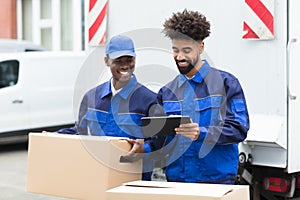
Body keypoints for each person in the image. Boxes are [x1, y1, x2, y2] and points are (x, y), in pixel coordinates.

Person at [151, 9, 250, 184]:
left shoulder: (226, 84)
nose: (180, 57)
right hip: (177, 183)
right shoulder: (166, 93)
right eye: (175, 50)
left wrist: (201, 133)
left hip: (215, 183)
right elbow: (159, 140)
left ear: (201, 47)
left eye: (186, 50)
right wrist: (142, 147)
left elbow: (238, 129)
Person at [57, 35, 159, 181]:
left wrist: (145, 149)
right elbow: (81, 131)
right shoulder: (91, 98)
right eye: (118, 61)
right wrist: (53, 137)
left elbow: (160, 141)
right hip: (95, 178)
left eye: (129, 61)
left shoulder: (150, 100)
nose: (125, 66)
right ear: (106, 61)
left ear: (135, 60)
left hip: (133, 181)